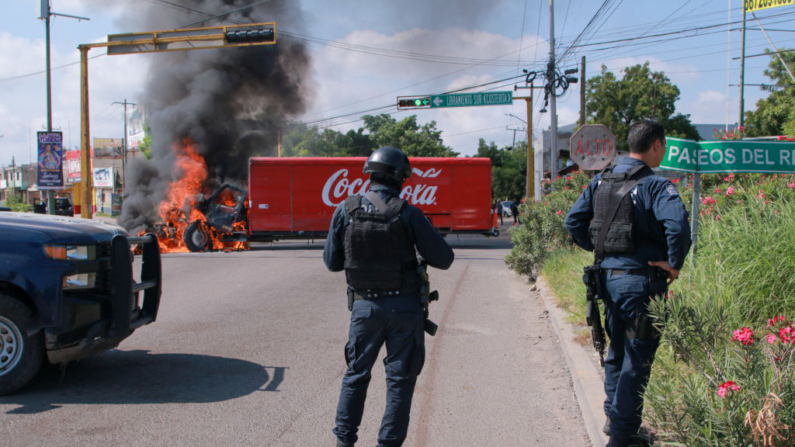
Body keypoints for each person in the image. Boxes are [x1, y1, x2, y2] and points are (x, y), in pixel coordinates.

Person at [564, 120, 691, 447]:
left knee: (617, 352)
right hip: (641, 285)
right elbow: (677, 227)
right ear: (657, 145)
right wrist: (673, 265)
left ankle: (615, 419)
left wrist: (603, 252)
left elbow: (573, 222)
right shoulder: (657, 186)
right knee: (637, 358)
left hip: (608, 281)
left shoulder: (601, 180)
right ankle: (622, 436)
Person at [324, 146, 455, 447]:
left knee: (355, 376)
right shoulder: (408, 213)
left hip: (364, 310)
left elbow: (332, 263)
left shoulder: (344, 210)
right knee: (399, 383)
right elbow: (444, 259)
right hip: (404, 310)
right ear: (400, 179)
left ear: (370, 174)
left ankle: (344, 442)